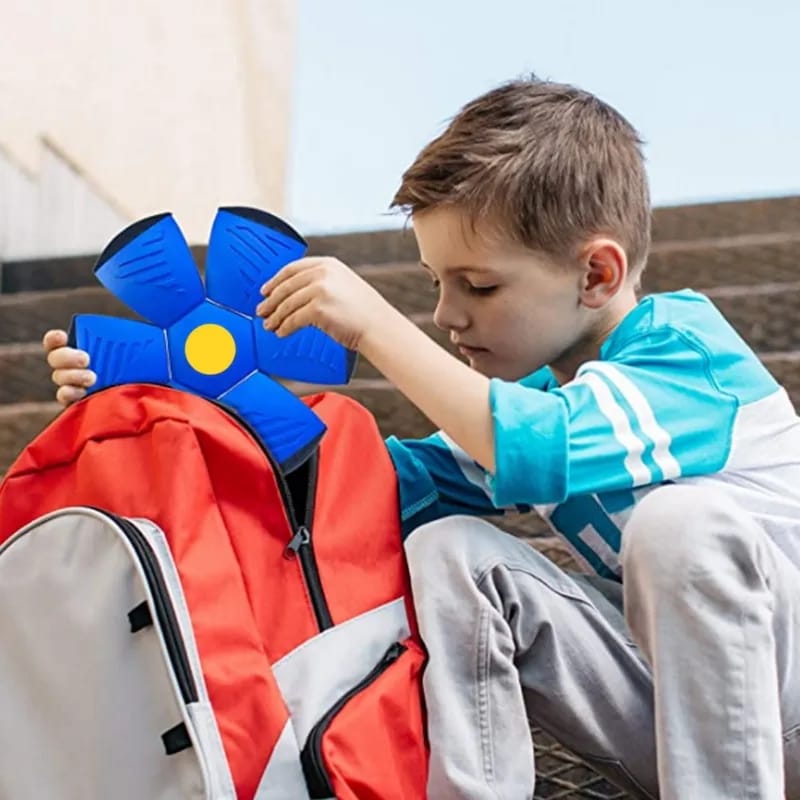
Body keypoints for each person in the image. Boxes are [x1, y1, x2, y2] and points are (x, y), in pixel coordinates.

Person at [43, 77, 800, 799]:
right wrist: (169, 393)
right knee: (449, 549)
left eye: (479, 285)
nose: (445, 315)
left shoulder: (684, 355)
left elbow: (538, 449)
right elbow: (370, 483)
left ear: (596, 274)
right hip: (674, 724)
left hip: (779, 710)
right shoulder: (538, 397)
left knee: (680, 526)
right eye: (436, 283)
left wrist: (375, 326)